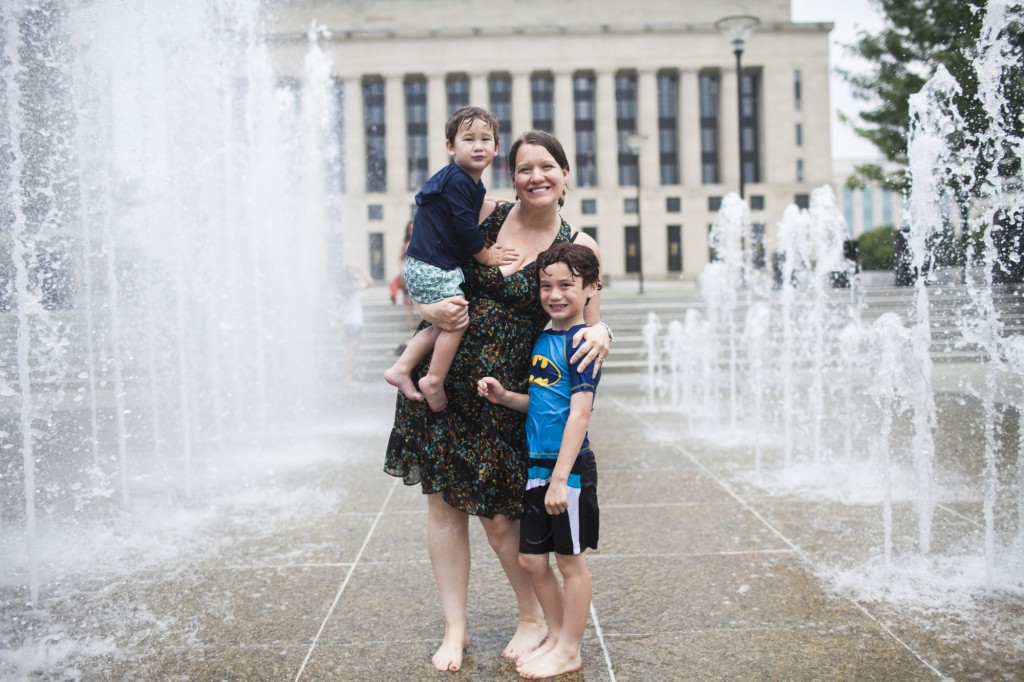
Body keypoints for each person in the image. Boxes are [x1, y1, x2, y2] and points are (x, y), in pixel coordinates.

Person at [384, 130, 612, 674]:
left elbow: (591, 320)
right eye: (525, 168)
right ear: (512, 177)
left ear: (565, 176)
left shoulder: (579, 241)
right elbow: (424, 255)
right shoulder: (481, 210)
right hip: (443, 382)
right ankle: (455, 627)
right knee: (443, 507)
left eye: (547, 167)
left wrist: (607, 334)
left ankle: (532, 616)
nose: (536, 176)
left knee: (500, 518)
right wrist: (424, 301)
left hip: (506, 394)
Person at [476, 241, 602, 679]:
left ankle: (570, 648)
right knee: (532, 560)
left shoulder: (583, 342)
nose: (554, 294)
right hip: (537, 468)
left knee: (570, 562)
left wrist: (560, 478)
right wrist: (506, 397)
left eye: (567, 285)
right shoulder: (546, 337)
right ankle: (555, 633)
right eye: (546, 285)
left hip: (565, 471)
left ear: (590, 289)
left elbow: (580, 414)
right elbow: (546, 403)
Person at [384, 106, 520, 412]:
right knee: (457, 319)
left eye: (486, 139)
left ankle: (401, 369)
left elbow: (461, 207)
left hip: (425, 265)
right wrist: (486, 256)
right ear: (450, 147)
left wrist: (487, 202)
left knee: (439, 326)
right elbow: (464, 225)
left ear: (496, 148)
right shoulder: (458, 179)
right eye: (468, 139)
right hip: (430, 267)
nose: (478, 145)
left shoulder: (471, 184)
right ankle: (433, 379)